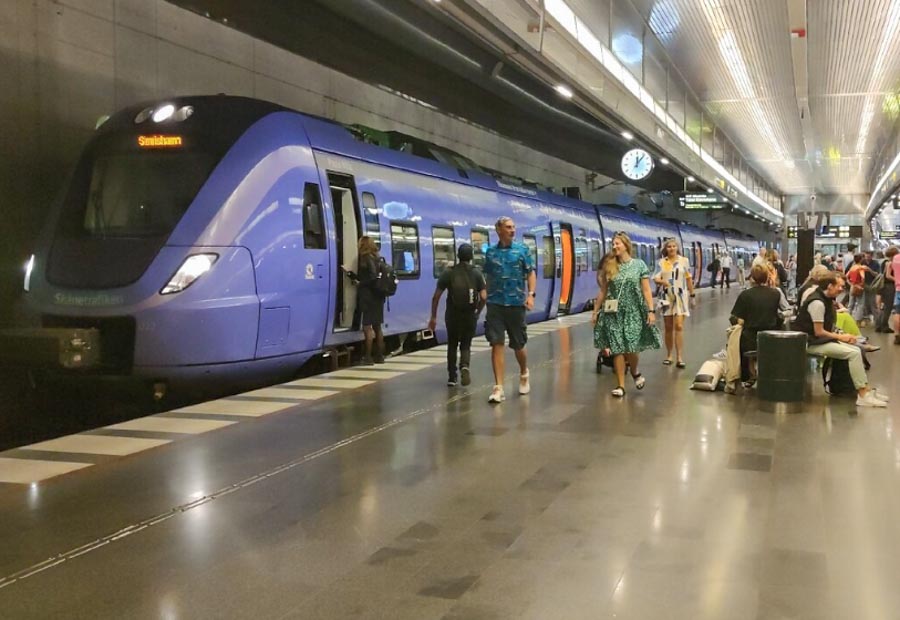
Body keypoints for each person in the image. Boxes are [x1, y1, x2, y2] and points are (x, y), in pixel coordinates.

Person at [792, 271, 888, 408]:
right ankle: (862, 394)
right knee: (854, 353)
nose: (842, 289)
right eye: (840, 286)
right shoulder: (817, 303)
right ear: (830, 286)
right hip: (810, 342)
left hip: (818, 340)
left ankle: (865, 389)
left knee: (856, 349)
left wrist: (843, 336)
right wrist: (841, 337)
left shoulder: (825, 300)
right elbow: (818, 332)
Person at [592, 232, 661, 397]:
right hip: (613, 313)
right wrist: (595, 311)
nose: (615, 247)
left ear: (626, 246)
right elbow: (603, 291)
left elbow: (646, 290)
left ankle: (635, 371)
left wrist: (651, 310)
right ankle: (621, 386)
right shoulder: (610, 265)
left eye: (618, 244)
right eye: (613, 244)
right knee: (617, 349)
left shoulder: (639, 265)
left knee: (631, 345)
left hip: (633, 311)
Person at [483, 216, 536, 403]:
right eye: (508, 227)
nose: (512, 230)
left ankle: (524, 372)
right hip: (495, 304)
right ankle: (498, 387)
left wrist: (531, 294)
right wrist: (485, 295)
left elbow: (530, 272)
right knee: (496, 343)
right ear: (499, 230)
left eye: (513, 227)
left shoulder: (522, 250)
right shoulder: (490, 252)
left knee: (518, 345)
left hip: (515, 304)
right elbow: (488, 276)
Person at [428, 243, 486, 386]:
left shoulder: (449, 272)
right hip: (470, 315)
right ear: (471, 257)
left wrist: (433, 317)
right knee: (466, 344)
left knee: (452, 344)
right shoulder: (477, 273)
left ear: (458, 256)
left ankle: (452, 377)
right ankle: (464, 366)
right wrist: (477, 311)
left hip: (453, 315)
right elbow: (484, 297)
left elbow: (436, 297)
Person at [730, 265, 782, 385]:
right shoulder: (775, 294)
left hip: (750, 337)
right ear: (767, 277)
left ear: (752, 278)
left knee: (742, 339)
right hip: (770, 336)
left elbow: (735, 317)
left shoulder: (745, 295)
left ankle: (749, 374)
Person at [653, 239, 694, 368]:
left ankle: (680, 357)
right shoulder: (661, 263)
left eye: (674, 246)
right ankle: (669, 355)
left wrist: (692, 295)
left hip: (681, 296)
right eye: (669, 247)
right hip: (666, 296)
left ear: (677, 248)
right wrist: (662, 282)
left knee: (679, 326)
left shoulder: (684, 261)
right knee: (668, 327)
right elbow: (655, 277)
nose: (671, 248)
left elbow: (688, 278)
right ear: (666, 249)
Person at [346, 236, 386, 365]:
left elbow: (371, 278)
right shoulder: (377, 258)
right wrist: (354, 276)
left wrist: (359, 283)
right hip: (378, 296)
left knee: (367, 328)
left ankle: (368, 357)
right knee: (377, 327)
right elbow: (372, 277)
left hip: (368, 297)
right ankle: (379, 356)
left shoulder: (366, 258)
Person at [875, 246, 897, 333]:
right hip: (889, 286)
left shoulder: (883, 261)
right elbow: (888, 276)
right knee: (888, 306)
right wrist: (897, 280)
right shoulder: (889, 263)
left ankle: (879, 325)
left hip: (883, 286)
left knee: (883, 307)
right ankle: (884, 326)